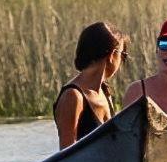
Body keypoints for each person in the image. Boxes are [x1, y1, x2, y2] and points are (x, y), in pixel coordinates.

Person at [54, 21, 129, 149]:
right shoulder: (73, 96)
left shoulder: (105, 91)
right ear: (112, 55)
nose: (122, 61)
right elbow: (66, 156)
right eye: (123, 55)